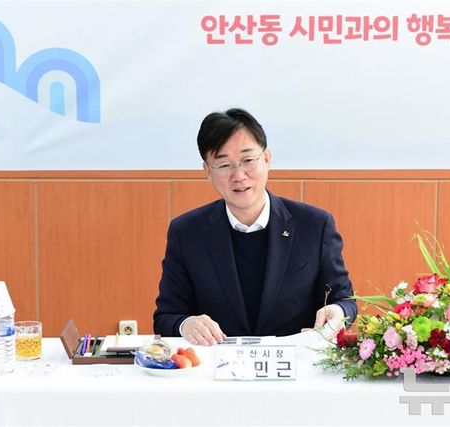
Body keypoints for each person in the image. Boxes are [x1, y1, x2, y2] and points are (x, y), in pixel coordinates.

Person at [153, 108, 357, 345]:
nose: (239, 175)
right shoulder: (187, 232)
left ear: (267, 159)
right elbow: (166, 317)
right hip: (218, 364)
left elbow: (345, 300)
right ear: (207, 170)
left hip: (295, 362)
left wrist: (338, 312)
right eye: (224, 165)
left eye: (248, 160)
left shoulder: (314, 225)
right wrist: (185, 324)